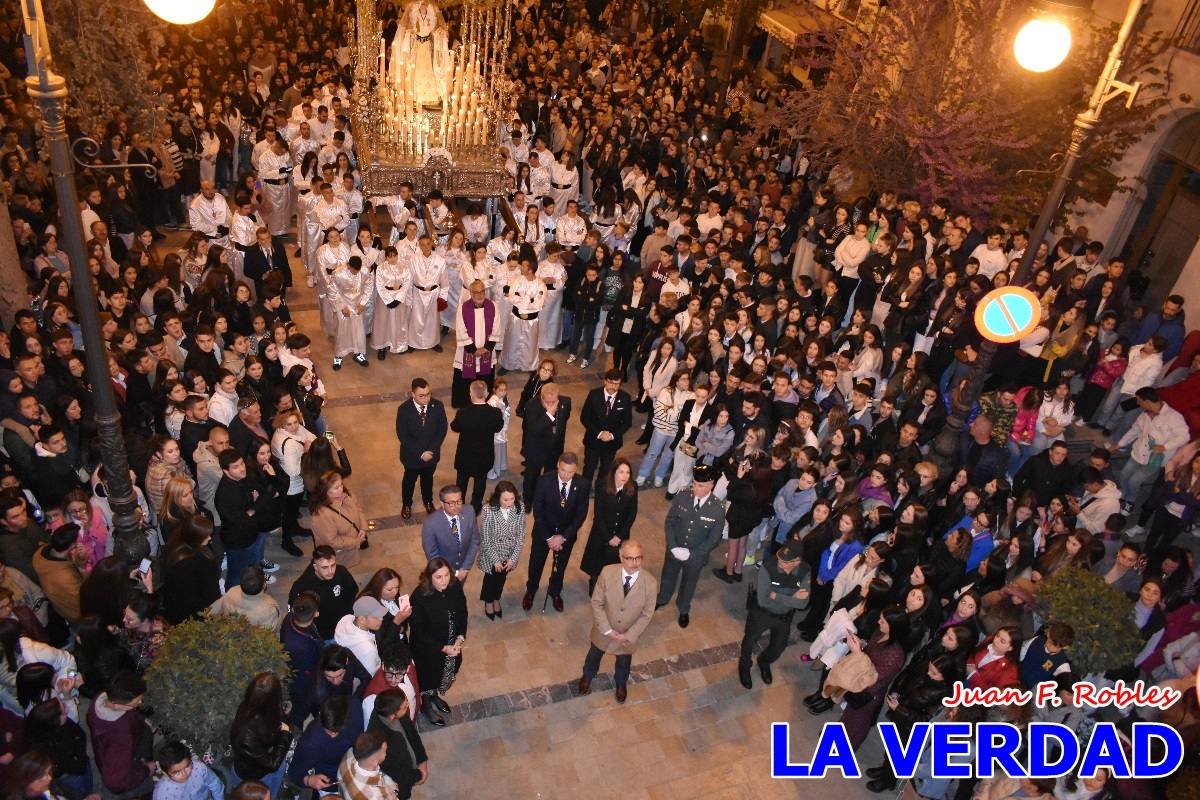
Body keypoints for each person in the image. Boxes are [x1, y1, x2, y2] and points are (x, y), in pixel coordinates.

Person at [577, 540, 657, 704]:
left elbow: (647, 614)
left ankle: (621, 683)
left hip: (627, 634)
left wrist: (629, 635)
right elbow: (597, 603)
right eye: (629, 558)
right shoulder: (607, 573)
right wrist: (607, 629)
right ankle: (588, 675)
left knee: (624, 661)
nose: (634, 563)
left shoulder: (650, 583)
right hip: (603, 630)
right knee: (594, 654)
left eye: (638, 558)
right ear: (621, 557)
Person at [655, 464, 727, 628]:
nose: (695, 487)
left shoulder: (717, 509)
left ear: (711, 485)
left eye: (700, 485)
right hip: (675, 548)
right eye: (694, 483)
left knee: (689, 582)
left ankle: (683, 608)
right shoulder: (683, 496)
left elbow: (714, 539)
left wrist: (692, 554)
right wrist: (673, 546)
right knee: (668, 574)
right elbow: (670, 522)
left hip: (696, 557)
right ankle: (663, 598)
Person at [523, 452, 589, 613]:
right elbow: (538, 511)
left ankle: (555, 592)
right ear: (558, 465)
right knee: (536, 563)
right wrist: (549, 537)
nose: (566, 475)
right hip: (543, 533)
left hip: (566, 535)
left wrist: (563, 537)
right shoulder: (545, 480)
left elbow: (581, 514)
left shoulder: (582, 484)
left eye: (571, 472)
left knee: (560, 566)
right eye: (563, 470)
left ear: (576, 469)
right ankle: (531, 590)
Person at [737, 542, 810, 689]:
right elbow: (763, 600)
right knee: (750, 640)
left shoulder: (805, 570)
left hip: (784, 616)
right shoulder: (768, 567)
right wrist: (792, 597)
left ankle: (764, 662)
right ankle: (744, 665)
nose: (780, 563)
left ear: (797, 561)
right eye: (780, 559)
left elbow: (803, 604)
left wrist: (777, 596)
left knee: (779, 646)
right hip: (762, 613)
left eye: (785, 562)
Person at [407, 558, 467, 726]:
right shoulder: (419, 596)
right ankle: (426, 705)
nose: (444, 580)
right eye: (438, 577)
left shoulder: (454, 587)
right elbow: (418, 631)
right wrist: (442, 648)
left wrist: (460, 637)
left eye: (446, 575)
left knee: (441, 676)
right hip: (427, 651)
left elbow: (463, 612)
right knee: (427, 679)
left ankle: (434, 696)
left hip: (451, 646)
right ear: (429, 578)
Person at [87, 671, 154, 799]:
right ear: (117, 705)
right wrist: (146, 770)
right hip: (131, 760)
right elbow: (115, 782)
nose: (140, 703)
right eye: (136, 702)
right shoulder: (119, 736)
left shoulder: (100, 699)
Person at [579, 458, 639, 596]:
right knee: (597, 559)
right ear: (613, 473)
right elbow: (598, 514)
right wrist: (608, 537)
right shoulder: (602, 485)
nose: (625, 476)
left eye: (628, 472)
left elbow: (632, 513)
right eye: (621, 472)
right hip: (602, 531)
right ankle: (594, 579)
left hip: (620, 533)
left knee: (614, 561)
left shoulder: (633, 486)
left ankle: (610, 583)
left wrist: (619, 536)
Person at [287, 695, 362, 798]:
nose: (332, 735)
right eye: (328, 730)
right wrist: (309, 780)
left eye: (336, 731)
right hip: (331, 784)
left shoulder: (355, 706)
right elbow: (294, 772)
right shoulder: (311, 742)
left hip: (355, 774)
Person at [230, 672, 292, 795]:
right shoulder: (246, 735)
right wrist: (285, 735)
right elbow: (272, 764)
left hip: (265, 761)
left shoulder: (251, 706)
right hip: (255, 778)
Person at [394, 378, 448, 520]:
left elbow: (442, 430)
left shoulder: (437, 406)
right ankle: (407, 504)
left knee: (427, 479)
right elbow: (403, 435)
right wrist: (420, 453)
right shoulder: (404, 410)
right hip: (412, 456)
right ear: (413, 394)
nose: (426, 398)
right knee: (409, 481)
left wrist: (432, 450)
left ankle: (428, 501)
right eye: (421, 395)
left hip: (431, 455)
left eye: (428, 394)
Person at [449, 381, 504, 512]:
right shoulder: (495, 413)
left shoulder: (463, 413)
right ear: (486, 393)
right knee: (480, 481)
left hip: (465, 455)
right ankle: (476, 505)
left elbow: (454, 427)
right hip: (484, 455)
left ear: (470, 394)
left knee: (462, 480)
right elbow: (498, 428)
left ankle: (458, 503)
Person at [366, 689, 428, 799]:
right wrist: (418, 776)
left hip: (410, 769)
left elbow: (413, 735)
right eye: (404, 707)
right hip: (401, 782)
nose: (408, 705)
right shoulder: (379, 742)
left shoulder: (395, 708)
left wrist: (422, 761)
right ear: (392, 716)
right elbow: (397, 773)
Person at [288, 546, 359, 643]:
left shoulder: (341, 572)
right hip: (325, 633)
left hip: (345, 623)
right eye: (324, 567)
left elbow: (352, 591)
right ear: (315, 567)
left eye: (333, 565)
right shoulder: (304, 584)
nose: (330, 571)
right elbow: (295, 607)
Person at [476, 481, 524, 620]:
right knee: (490, 579)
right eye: (505, 499)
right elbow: (485, 538)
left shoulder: (519, 507)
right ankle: (488, 601)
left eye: (512, 499)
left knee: (502, 578)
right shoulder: (488, 510)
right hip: (492, 553)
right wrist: (495, 560)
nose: (509, 503)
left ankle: (496, 598)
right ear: (498, 497)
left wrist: (513, 558)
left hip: (509, 553)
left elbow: (521, 533)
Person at [520, 382, 572, 507]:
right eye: (547, 402)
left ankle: (545, 499)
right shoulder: (531, 405)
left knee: (550, 477)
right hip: (535, 449)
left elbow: (565, 419)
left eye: (554, 402)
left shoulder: (566, 402)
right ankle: (528, 500)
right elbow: (533, 429)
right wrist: (549, 415)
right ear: (541, 397)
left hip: (554, 450)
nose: (551, 405)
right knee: (531, 477)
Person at [579, 369, 634, 484]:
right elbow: (585, 418)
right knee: (589, 467)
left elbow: (627, 422)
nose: (612, 386)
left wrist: (613, 435)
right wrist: (599, 433)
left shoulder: (625, 398)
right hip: (593, 440)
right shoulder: (594, 394)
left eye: (616, 384)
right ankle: (584, 488)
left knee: (606, 469)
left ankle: (600, 489)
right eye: (610, 382)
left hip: (611, 443)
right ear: (605, 381)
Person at [451, 280, 499, 408]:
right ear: (471, 293)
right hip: (468, 351)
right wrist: (472, 349)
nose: (479, 294)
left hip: (486, 351)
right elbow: (460, 329)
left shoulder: (493, 306)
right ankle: (464, 403)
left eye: (482, 291)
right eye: (476, 292)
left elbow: (496, 327)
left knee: (485, 377)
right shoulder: (463, 307)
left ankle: (485, 401)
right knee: (465, 378)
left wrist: (487, 348)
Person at [420, 485, 479, 583]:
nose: (456, 506)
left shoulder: (469, 511)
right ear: (442, 504)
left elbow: (475, 540)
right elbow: (432, 554)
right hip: (442, 573)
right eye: (451, 503)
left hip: (463, 569)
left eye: (459, 501)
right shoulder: (430, 524)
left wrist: (465, 568)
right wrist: (454, 573)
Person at [310, 471, 369, 568]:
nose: (341, 489)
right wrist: (356, 541)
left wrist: (363, 527)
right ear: (325, 491)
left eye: (341, 484)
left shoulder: (347, 495)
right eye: (336, 488)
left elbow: (358, 509)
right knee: (340, 571)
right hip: (339, 554)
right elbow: (332, 541)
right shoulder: (322, 514)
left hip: (351, 547)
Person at [209, 565, 282, 630]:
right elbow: (268, 632)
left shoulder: (232, 591)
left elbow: (211, 611)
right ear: (264, 585)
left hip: (231, 633)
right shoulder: (270, 610)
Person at [153, 741, 225, 800]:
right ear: (165, 773)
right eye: (177, 772)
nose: (184, 774)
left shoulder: (199, 768)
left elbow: (215, 784)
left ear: (191, 760)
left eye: (187, 766)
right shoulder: (162, 794)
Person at [337, 731, 398, 800]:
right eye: (385, 751)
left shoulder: (349, 754)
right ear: (375, 762)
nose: (386, 753)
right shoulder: (375, 796)